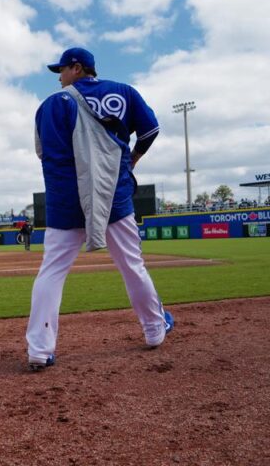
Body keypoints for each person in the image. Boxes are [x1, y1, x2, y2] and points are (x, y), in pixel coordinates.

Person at [26, 47, 174, 371]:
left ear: (77, 68)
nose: (60, 77)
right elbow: (150, 130)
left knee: (51, 272)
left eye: (62, 70)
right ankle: (154, 330)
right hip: (112, 197)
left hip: (65, 201)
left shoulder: (48, 106)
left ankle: (39, 349)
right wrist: (131, 159)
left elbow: (41, 153)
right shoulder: (123, 92)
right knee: (132, 265)